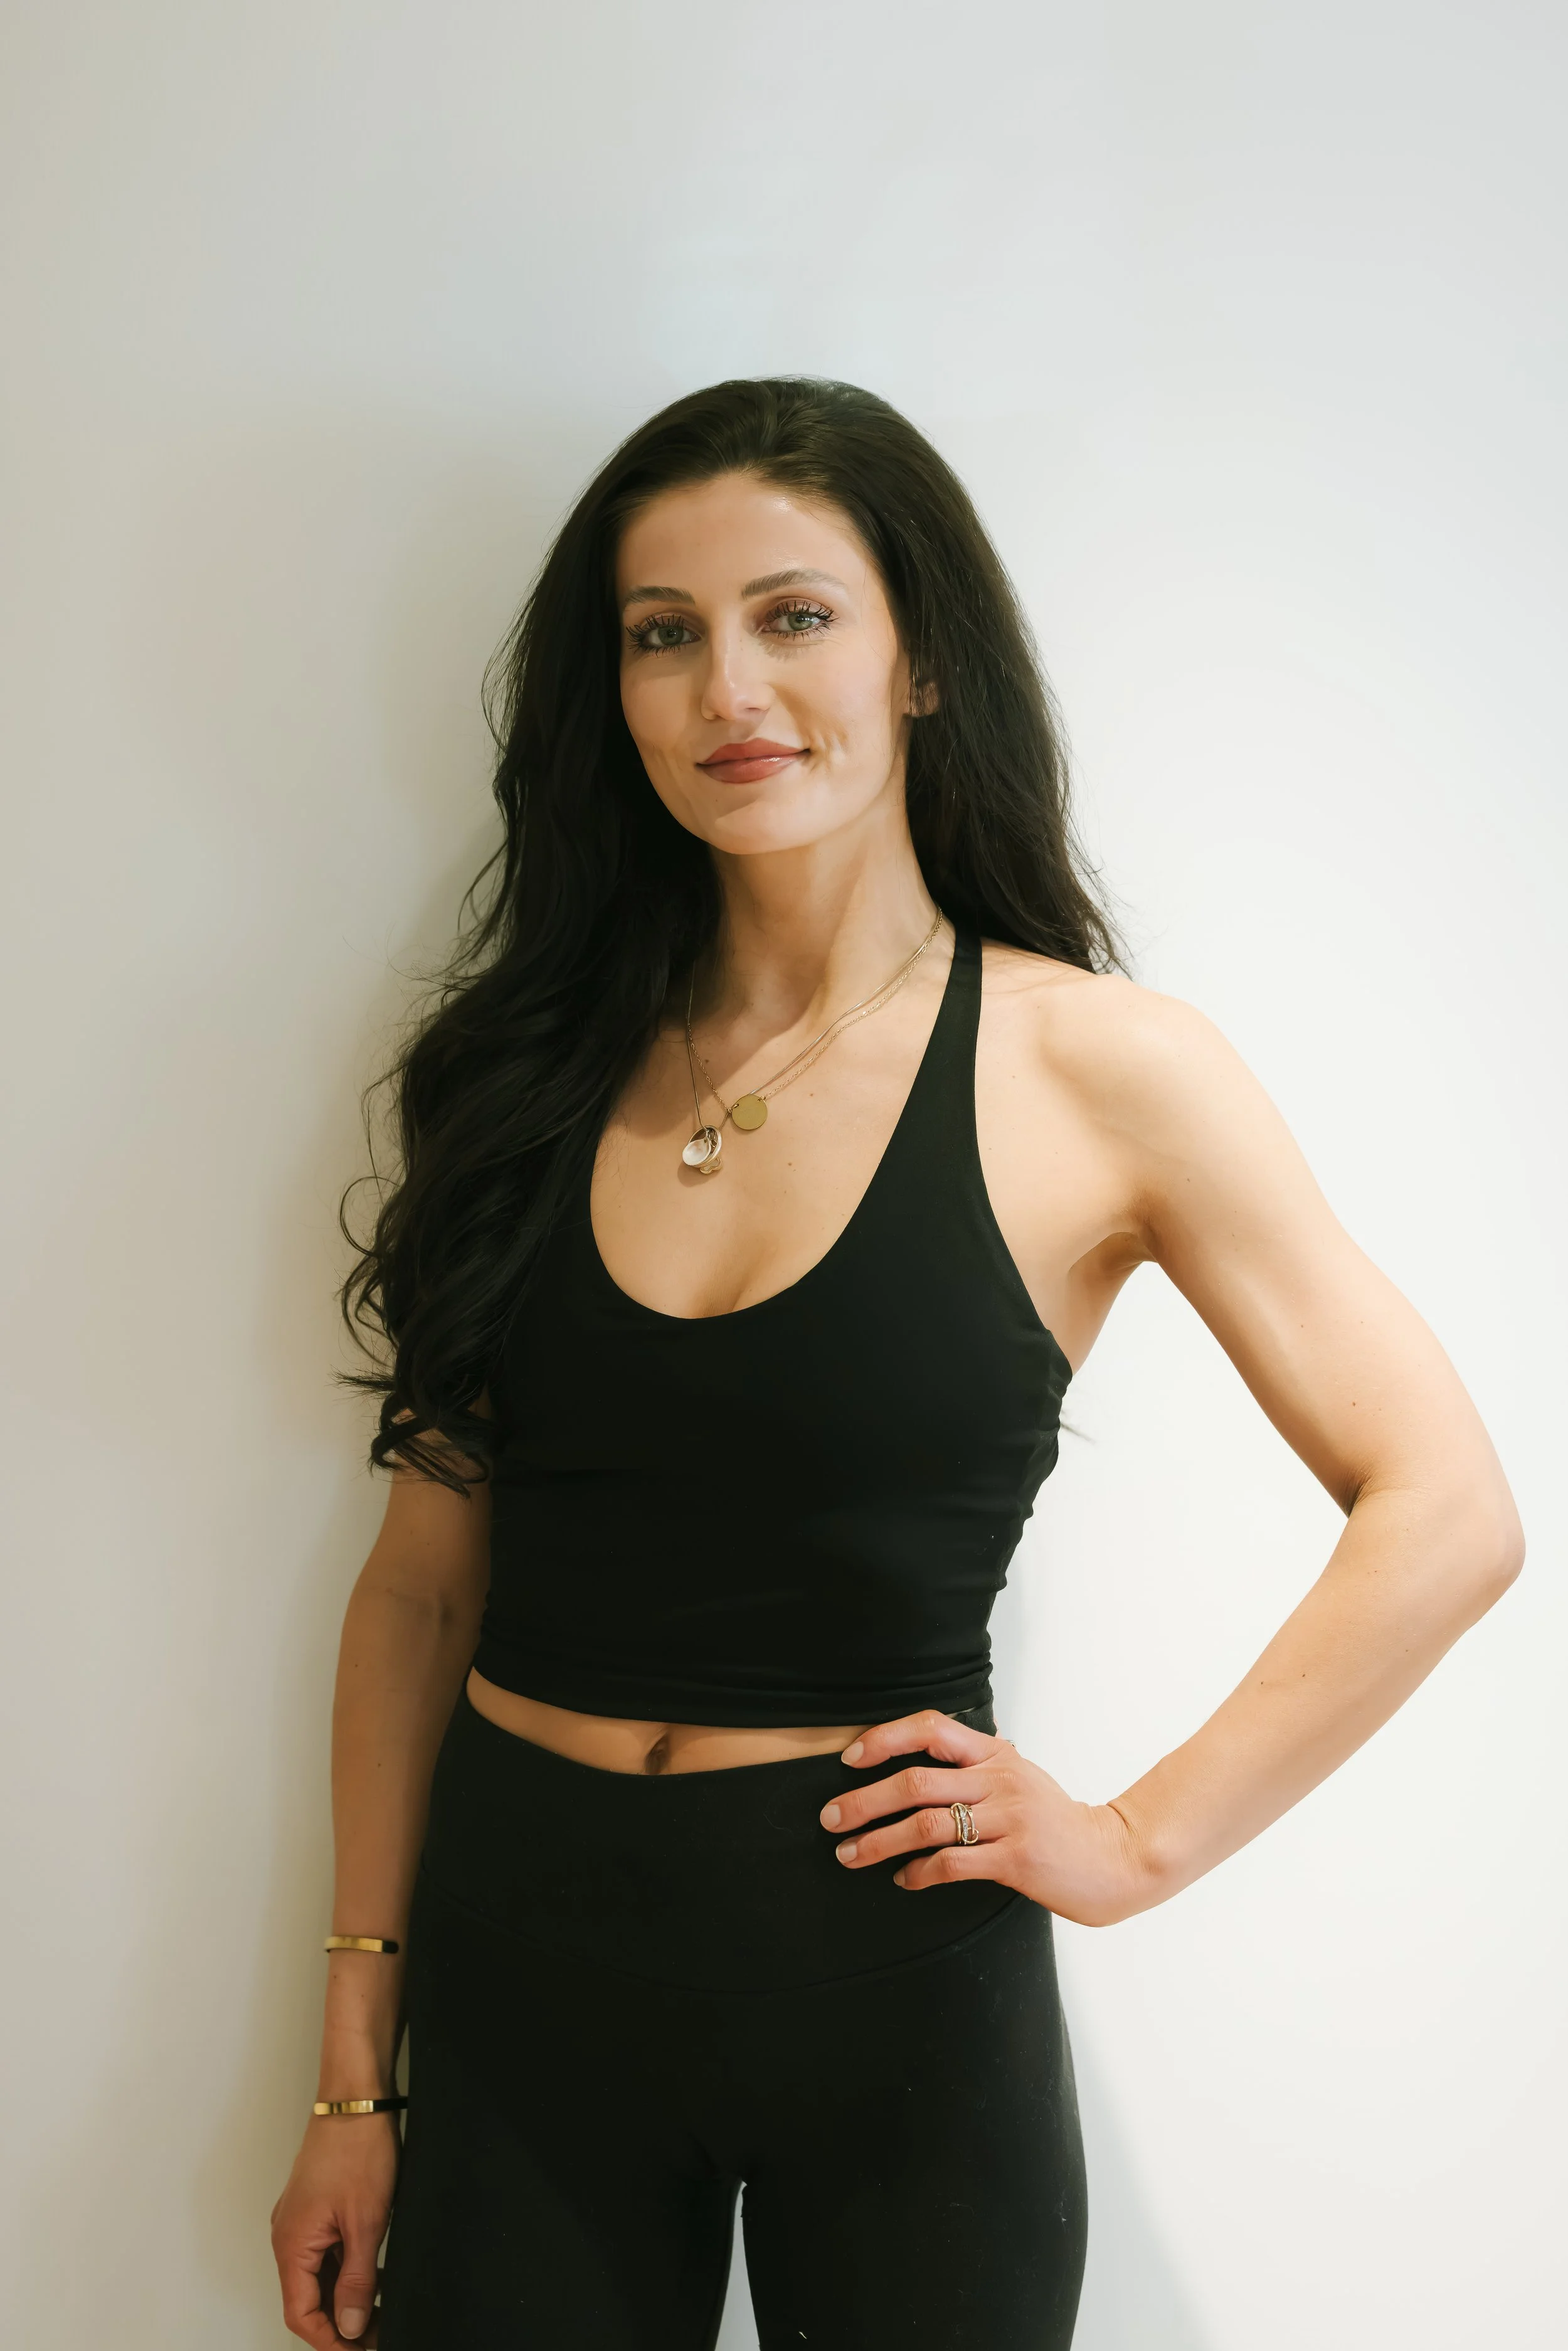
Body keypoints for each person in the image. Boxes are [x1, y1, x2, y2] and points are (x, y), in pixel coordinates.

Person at [269, 377, 1523, 2350]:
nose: (724, 689)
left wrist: (1129, 1839)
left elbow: (1446, 1507)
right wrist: (351, 2073)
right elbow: (424, 1584)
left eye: (794, 614)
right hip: (527, 1975)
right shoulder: (514, 1073)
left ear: (921, 655)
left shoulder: (1097, 1069)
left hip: (890, 1985)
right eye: (661, 633)